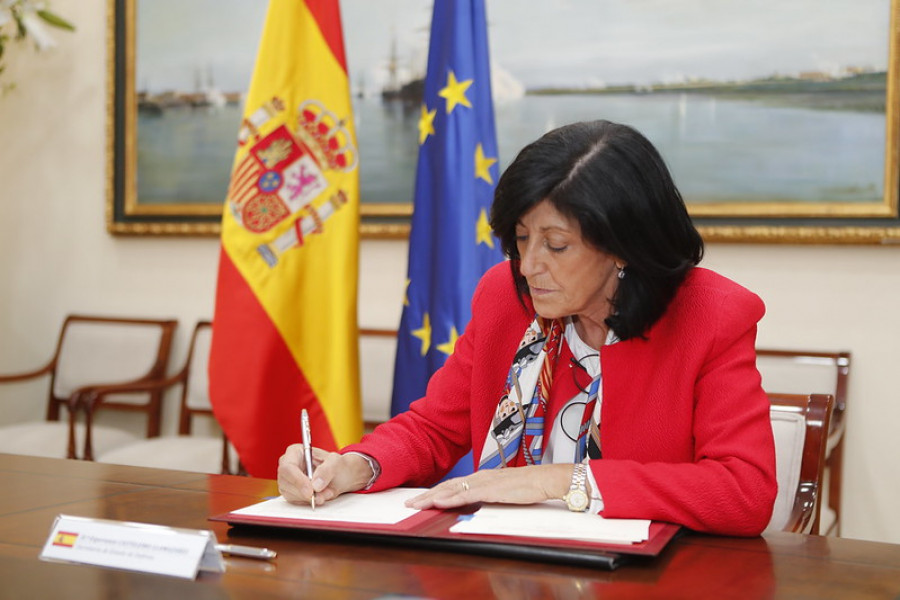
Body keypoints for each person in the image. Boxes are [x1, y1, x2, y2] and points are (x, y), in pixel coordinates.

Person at [278, 120, 777, 536]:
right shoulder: (505, 297)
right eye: (520, 239)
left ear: (623, 244)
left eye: (555, 245)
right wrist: (355, 467)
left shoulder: (709, 316)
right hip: (505, 571)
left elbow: (743, 492)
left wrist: (560, 481)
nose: (528, 265)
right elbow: (435, 427)